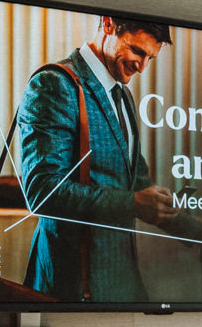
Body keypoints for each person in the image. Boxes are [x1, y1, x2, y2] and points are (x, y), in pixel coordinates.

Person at [17, 15, 178, 302]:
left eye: (150, 58)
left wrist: (199, 233)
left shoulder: (124, 97)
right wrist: (132, 203)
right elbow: (42, 193)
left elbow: (138, 183)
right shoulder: (54, 84)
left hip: (122, 284)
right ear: (108, 25)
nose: (142, 67)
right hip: (71, 288)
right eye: (137, 51)